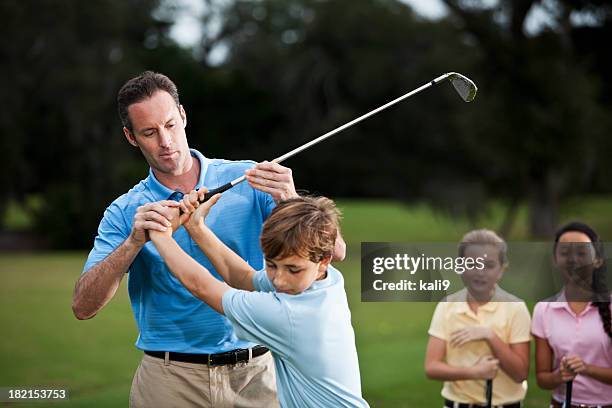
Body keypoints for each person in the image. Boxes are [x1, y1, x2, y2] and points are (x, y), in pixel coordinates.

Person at [71, 71, 345, 407]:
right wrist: (133, 243)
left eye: (170, 125)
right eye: (149, 132)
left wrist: (291, 200)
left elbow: (336, 253)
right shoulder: (125, 210)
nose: (166, 142)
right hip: (170, 379)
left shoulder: (249, 178)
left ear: (183, 116)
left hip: (258, 373)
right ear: (131, 137)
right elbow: (83, 307)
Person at [148, 190, 368, 408]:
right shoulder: (328, 281)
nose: (279, 281)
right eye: (272, 265)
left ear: (324, 260)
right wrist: (196, 227)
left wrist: (161, 236)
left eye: (293, 269)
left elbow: (202, 286)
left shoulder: (287, 315)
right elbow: (244, 277)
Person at [424, 229, 531, 408]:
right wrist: (475, 372)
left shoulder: (516, 308)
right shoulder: (447, 306)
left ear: (502, 270)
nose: (480, 272)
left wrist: (489, 335)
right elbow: (431, 367)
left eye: (489, 265)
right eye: (472, 264)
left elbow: (520, 373)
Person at [531, 222, 612, 408]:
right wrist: (558, 376)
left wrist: (586, 368)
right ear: (555, 260)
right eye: (565, 253)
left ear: (598, 260)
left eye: (582, 253)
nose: (573, 260)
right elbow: (542, 379)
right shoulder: (543, 310)